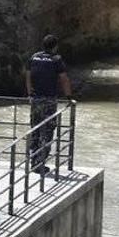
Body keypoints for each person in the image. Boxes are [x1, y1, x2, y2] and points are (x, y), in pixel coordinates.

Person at [25, 34, 71, 174]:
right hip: (49, 100)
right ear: (55, 46)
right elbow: (63, 79)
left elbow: (27, 75)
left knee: (35, 129)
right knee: (47, 130)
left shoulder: (34, 57)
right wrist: (69, 97)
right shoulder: (56, 60)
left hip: (35, 99)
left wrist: (30, 92)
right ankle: (39, 164)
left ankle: (33, 161)